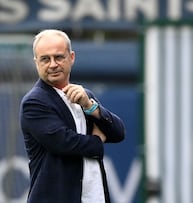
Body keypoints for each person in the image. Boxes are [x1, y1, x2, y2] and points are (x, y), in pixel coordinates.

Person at [20, 29, 126, 203]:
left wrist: (91, 107)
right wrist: (97, 141)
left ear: (72, 57)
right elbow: (64, 143)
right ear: (36, 62)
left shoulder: (84, 95)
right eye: (45, 59)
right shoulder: (34, 102)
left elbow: (119, 132)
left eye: (59, 57)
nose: (52, 64)